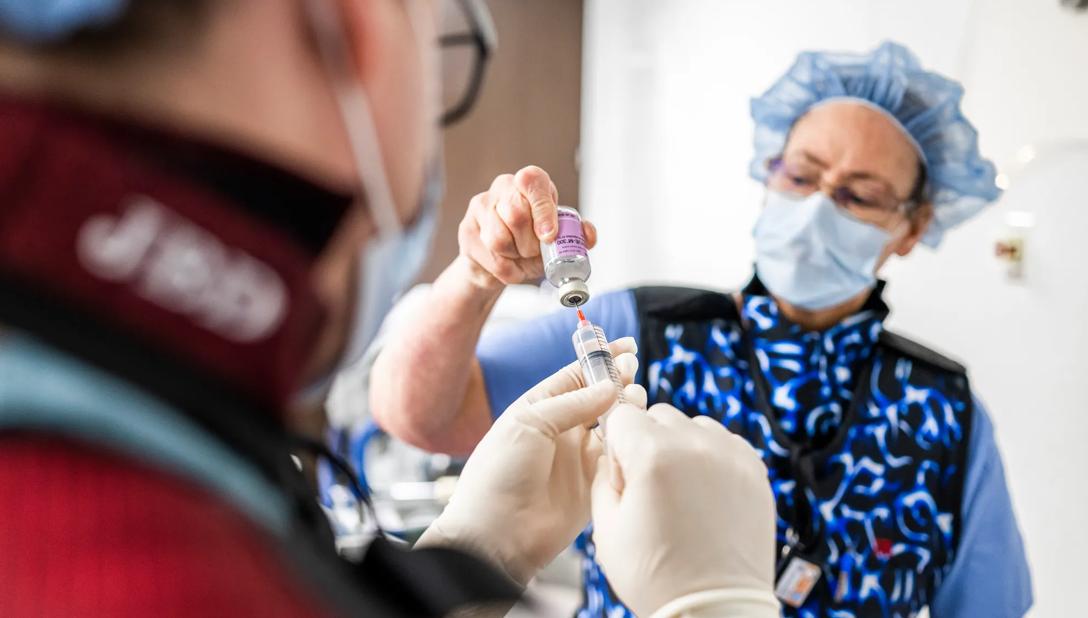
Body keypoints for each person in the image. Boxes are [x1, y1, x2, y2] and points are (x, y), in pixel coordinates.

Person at [0, 1, 780, 616]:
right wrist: (716, 607)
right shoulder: (127, 554)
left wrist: (475, 554)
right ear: (354, 28)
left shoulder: (118, 423)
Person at [369, 41, 1033, 616]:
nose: (814, 210)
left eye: (858, 195)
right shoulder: (641, 329)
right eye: (800, 175)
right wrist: (476, 275)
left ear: (912, 227)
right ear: (768, 176)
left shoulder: (945, 417)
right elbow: (419, 415)